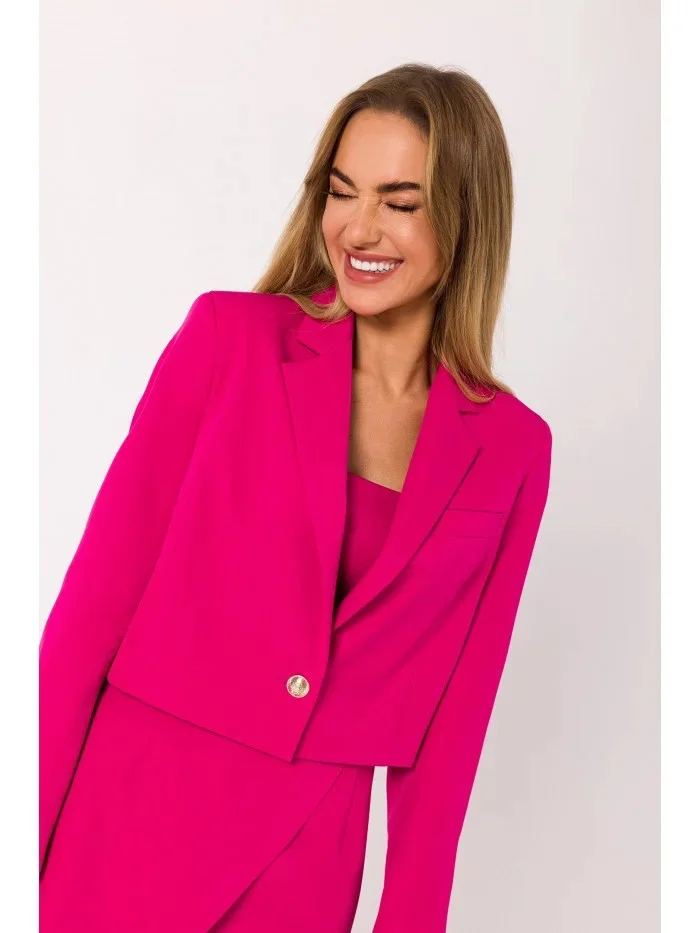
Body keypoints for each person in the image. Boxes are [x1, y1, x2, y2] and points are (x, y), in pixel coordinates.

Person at [39, 62, 553, 933]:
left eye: (400, 201)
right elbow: (89, 618)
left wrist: (410, 919)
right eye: (343, 191)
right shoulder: (229, 344)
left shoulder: (511, 448)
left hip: (306, 860)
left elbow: (455, 724)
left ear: (466, 216)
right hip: (132, 817)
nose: (359, 227)